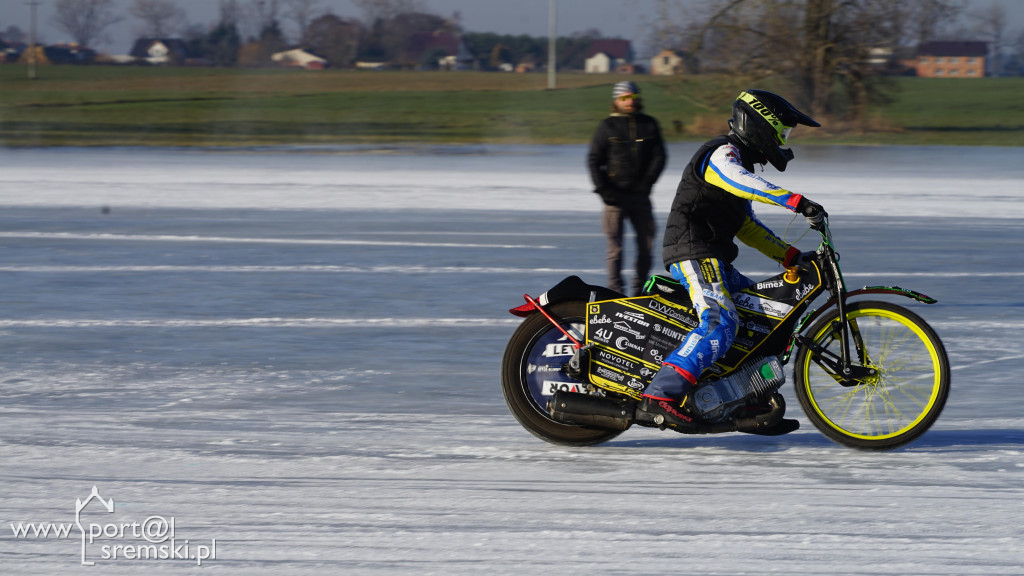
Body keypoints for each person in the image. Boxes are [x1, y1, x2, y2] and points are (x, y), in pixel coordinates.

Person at [636, 89, 827, 433]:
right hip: (693, 250)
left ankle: (743, 396)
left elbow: (747, 227)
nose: (783, 141)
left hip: (713, 256)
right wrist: (797, 202)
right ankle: (660, 396)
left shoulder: (740, 163)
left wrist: (790, 256)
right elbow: (743, 183)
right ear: (759, 126)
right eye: (781, 132)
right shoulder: (723, 154)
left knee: (761, 313)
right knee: (720, 322)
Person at [587, 81, 667, 296]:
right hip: (614, 198)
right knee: (615, 249)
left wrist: (648, 181)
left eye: (633, 96)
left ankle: (639, 290)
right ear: (616, 101)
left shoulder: (649, 124)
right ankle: (616, 292)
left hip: (641, 196)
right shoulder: (607, 127)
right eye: (624, 98)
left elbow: (659, 156)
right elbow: (595, 160)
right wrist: (604, 189)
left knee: (646, 245)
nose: (629, 101)